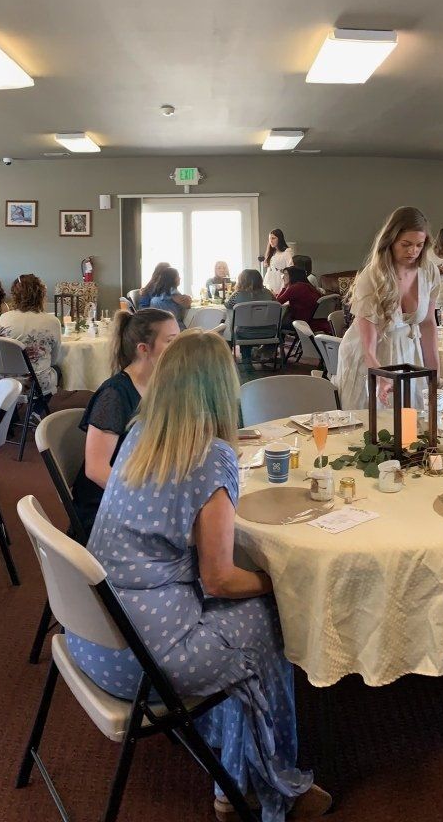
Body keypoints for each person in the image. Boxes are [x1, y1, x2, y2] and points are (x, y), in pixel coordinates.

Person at [67, 332, 331, 821]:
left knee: (241, 615)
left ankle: (231, 771)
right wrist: (281, 584)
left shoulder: (139, 435)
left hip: (92, 634)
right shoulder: (211, 457)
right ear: (219, 388)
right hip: (144, 662)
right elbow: (219, 582)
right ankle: (264, 784)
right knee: (268, 620)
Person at [73, 307, 179, 535]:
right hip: (108, 506)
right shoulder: (115, 395)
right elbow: (96, 470)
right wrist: (148, 501)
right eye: (171, 341)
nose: (180, 349)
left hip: (143, 484)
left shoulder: (162, 385)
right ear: (143, 349)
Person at [333, 206, 439, 408]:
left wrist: (435, 377)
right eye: (405, 244)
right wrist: (380, 376)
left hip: (407, 353)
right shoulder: (372, 277)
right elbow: (368, 344)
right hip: (370, 357)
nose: (412, 251)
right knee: (369, 426)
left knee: (411, 423)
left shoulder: (429, 272)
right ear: (390, 241)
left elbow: (427, 324)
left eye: (419, 245)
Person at [0, 273, 62, 397]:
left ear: (15, 296)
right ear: (41, 295)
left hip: (1, 381)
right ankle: (41, 410)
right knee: (58, 370)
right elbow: (54, 360)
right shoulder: (52, 321)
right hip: (36, 383)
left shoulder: (4, 318)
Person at [259, 229, 295, 295]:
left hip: (280, 282)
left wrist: (286, 282)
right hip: (269, 281)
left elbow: (291, 268)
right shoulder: (272, 253)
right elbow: (266, 265)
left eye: (273, 238)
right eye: (269, 239)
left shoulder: (286, 252)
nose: (271, 241)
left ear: (279, 239)